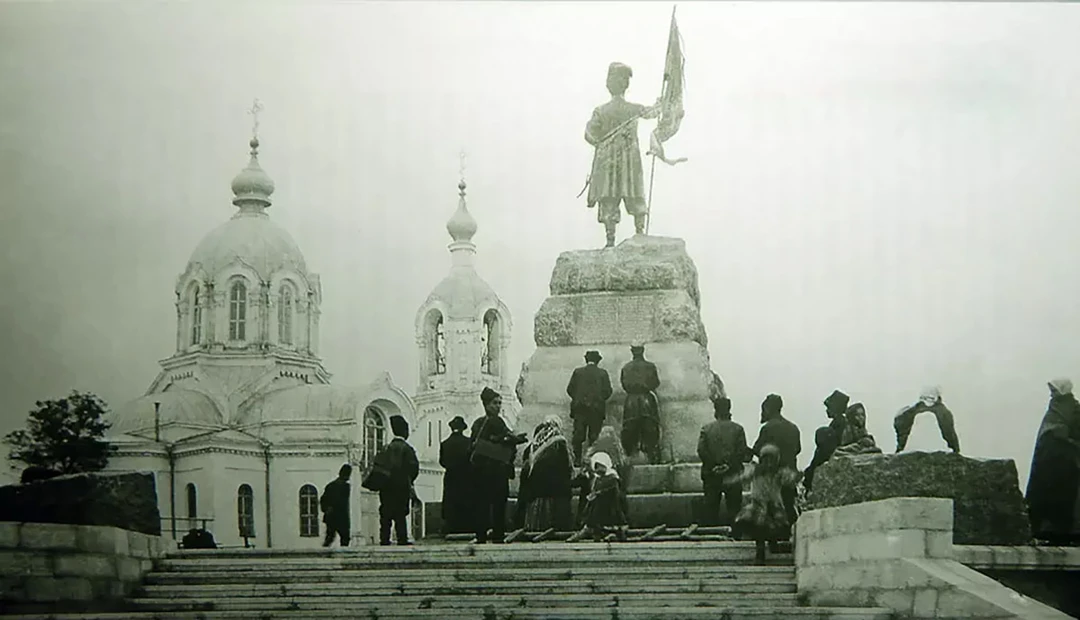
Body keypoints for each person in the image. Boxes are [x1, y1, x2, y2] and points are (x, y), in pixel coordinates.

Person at [583, 62, 663, 247]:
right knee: (633, 194)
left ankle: (611, 241)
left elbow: (589, 134)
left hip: (609, 163)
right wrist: (662, 103)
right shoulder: (632, 109)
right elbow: (653, 112)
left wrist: (601, 145)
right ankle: (639, 233)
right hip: (628, 163)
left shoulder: (601, 111)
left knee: (609, 197)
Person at [725, 445, 802, 564]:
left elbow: (789, 479)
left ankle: (773, 545)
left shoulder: (779, 472)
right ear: (762, 460)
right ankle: (760, 553)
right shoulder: (755, 471)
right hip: (758, 506)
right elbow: (743, 477)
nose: (769, 463)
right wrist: (732, 480)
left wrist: (796, 476)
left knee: (773, 527)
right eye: (766, 459)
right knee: (759, 528)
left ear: (776, 460)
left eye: (772, 460)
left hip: (774, 506)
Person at [470, 387, 528, 544]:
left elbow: (473, 445)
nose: (498, 406)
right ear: (486, 405)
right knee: (498, 504)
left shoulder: (478, 423)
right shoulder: (497, 421)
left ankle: (481, 535)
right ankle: (497, 536)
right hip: (497, 471)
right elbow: (508, 439)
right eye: (495, 403)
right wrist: (514, 440)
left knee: (482, 504)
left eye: (499, 403)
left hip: (481, 471)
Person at [1026, 378, 1080, 545]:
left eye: (1055, 390)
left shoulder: (1074, 409)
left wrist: (1064, 439)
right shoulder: (1054, 407)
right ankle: (1042, 531)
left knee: (1064, 499)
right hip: (1047, 461)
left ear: (1063, 390)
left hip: (1067, 462)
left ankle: (1063, 533)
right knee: (1044, 495)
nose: (1052, 394)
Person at [698, 397, 751, 526]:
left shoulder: (706, 429)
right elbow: (741, 452)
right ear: (729, 410)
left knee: (710, 511)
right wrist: (728, 466)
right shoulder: (738, 429)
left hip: (711, 475)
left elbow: (701, 451)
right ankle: (735, 534)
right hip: (732, 475)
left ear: (715, 410)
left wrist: (714, 466)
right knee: (734, 510)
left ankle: (711, 535)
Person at [752, 394, 801, 530]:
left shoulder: (767, 428)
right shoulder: (793, 427)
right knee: (789, 506)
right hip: (789, 474)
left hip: (772, 477)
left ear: (768, 409)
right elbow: (798, 449)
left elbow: (758, 450)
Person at [519, 415, 575, 532]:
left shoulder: (533, 445)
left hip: (534, 491)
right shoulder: (560, 442)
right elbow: (567, 466)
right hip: (554, 491)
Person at [377, 415, 420, 546]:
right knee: (400, 513)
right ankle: (402, 538)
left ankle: (384, 539)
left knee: (386, 513)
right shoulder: (407, 448)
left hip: (385, 487)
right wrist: (409, 480)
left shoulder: (386, 448)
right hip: (401, 486)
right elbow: (414, 468)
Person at [566, 350, 614, 466]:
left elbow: (570, 389)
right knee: (594, 436)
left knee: (578, 435)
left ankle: (577, 460)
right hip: (596, 410)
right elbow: (608, 391)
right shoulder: (602, 373)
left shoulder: (578, 372)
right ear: (597, 361)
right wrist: (599, 400)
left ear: (586, 360)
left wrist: (578, 399)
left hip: (580, 409)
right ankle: (593, 460)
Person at [620, 343, 662, 463]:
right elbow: (656, 383)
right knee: (650, 429)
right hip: (647, 400)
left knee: (630, 429)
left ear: (632, 352)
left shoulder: (626, 367)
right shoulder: (650, 366)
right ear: (642, 351)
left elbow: (624, 384)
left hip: (631, 401)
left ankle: (630, 457)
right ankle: (652, 457)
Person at [803, 390, 849, 492]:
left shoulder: (839, 424)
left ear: (835, 408)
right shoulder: (840, 423)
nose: (827, 410)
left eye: (829, 407)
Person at [893, 386, 961, 454]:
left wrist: (900, 448)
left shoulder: (908, 412)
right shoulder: (943, 412)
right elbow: (949, 433)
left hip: (911, 450)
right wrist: (955, 450)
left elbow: (901, 430)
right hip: (937, 451)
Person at [581, 452, 629, 541]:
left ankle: (613, 532)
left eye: (600, 466)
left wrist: (599, 494)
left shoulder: (613, 477)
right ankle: (594, 530)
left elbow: (614, 491)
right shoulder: (597, 478)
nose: (598, 469)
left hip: (612, 505)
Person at [439, 415, 472, 535]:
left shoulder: (445, 443)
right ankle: (465, 526)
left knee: (451, 501)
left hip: (451, 477)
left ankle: (451, 527)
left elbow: (442, 462)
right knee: (465, 500)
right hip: (466, 477)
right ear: (463, 428)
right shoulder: (468, 442)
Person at [320, 464, 352, 548]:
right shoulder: (346, 487)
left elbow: (323, 500)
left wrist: (326, 509)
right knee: (344, 538)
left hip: (331, 516)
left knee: (330, 537)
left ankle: (324, 552)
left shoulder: (331, 486)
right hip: (341, 517)